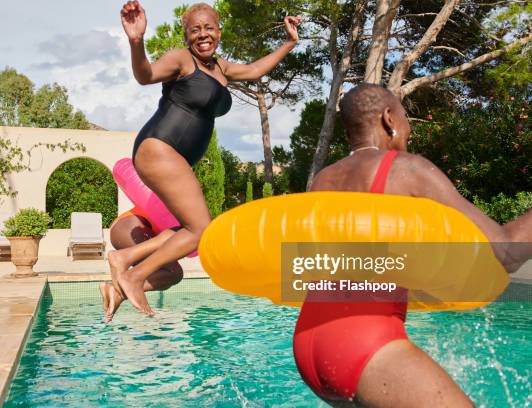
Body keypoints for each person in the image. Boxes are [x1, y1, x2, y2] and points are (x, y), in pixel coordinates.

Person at [293, 83, 532, 407]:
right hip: (362, 341)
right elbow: (503, 253)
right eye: (406, 119)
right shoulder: (406, 169)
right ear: (389, 118)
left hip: (309, 340)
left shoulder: (324, 179)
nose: (409, 131)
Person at [110, 1, 302, 315]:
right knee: (200, 230)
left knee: (191, 229)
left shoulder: (222, 68)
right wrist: (136, 42)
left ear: (219, 32)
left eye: (208, 28)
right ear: (186, 36)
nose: (202, 34)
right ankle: (135, 275)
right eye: (195, 29)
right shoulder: (180, 59)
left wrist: (290, 43)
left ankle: (124, 262)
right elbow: (145, 75)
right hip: (159, 147)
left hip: (171, 156)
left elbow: (254, 70)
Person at [100, 210, 183, 323]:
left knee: (168, 277)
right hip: (132, 226)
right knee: (174, 272)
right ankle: (122, 259)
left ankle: (118, 291)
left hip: (123, 227)